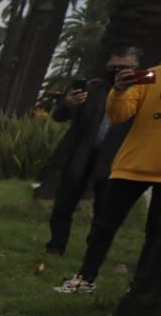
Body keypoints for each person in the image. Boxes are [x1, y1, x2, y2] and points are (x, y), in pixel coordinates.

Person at [56, 62, 161, 296]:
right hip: (133, 166)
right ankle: (85, 278)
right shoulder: (150, 77)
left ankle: (140, 289)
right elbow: (118, 114)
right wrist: (120, 90)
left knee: (157, 233)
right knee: (104, 225)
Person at [43, 49, 141, 257]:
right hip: (80, 155)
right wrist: (67, 104)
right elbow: (59, 117)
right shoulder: (92, 89)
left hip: (115, 160)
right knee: (64, 204)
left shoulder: (141, 94)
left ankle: (93, 251)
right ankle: (56, 245)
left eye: (124, 68)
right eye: (113, 67)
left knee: (104, 210)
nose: (117, 72)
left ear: (136, 70)